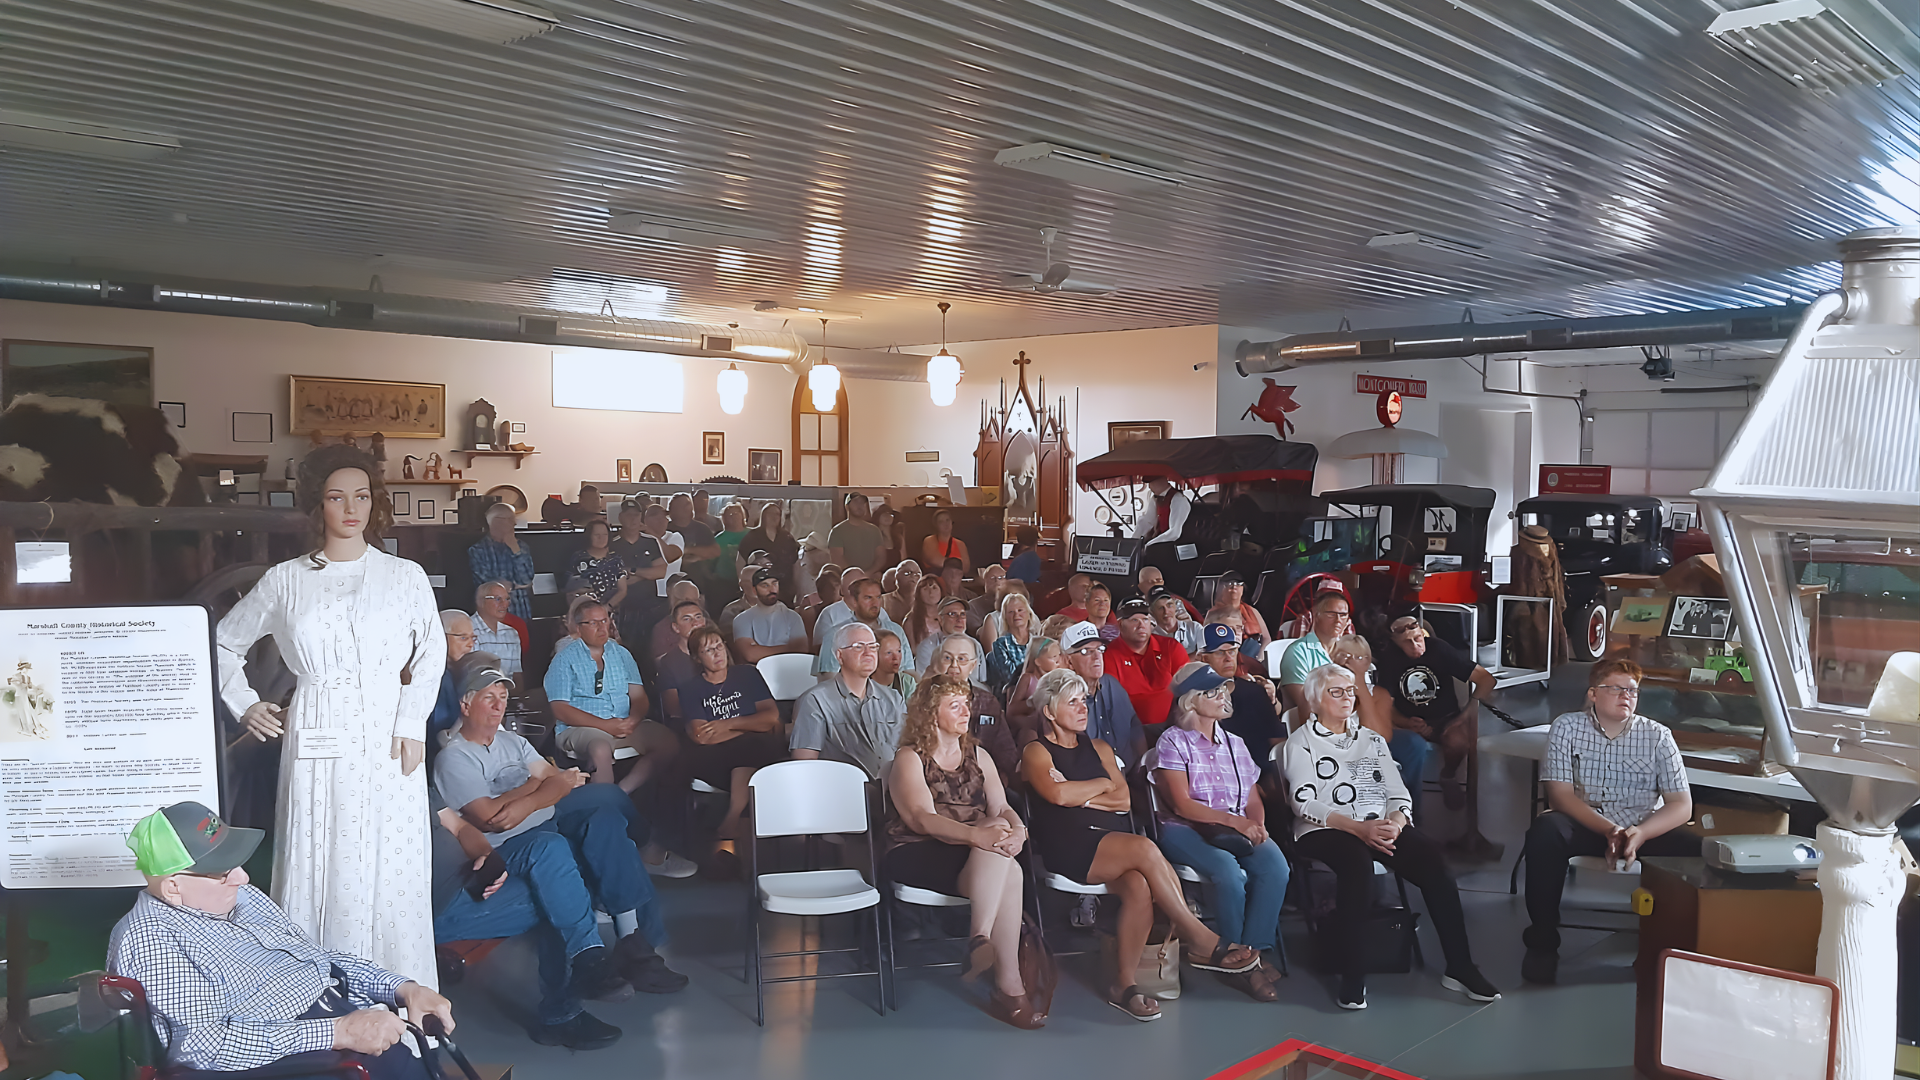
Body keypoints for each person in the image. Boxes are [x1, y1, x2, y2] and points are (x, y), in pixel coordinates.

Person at [217, 444, 444, 983]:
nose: (351, 508)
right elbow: (225, 643)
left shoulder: (404, 576)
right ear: (316, 504)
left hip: (391, 737)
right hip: (317, 727)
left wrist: (412, 720)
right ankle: (320, 998)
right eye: (337, 496)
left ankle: (402, 996)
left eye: (361, 496)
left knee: (395, 864)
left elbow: (432, 651)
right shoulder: (285, 580)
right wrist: (246, 704)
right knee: (322, 854)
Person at [109, 801, 456, 1079]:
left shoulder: (241, 896)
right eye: (223, 872)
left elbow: (317, 958)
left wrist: (401, 988)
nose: (242, 877)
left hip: (336, 1019)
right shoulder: (150, 939)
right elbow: (204, 1046)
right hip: (285, 1057)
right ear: (173, 886)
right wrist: (338, 1033)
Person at [1020, 669, 1261, 1022]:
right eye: (1071, 702)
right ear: (1049, 712)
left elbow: (1122, 801)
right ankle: (1200, 938)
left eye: (1083, 700)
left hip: (1111, 840)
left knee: (1138, 884)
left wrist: (1083, 793)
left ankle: (1124, 984)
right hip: (1069, 846)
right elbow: (1056, 794)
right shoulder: (1036, 751)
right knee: (1145, 849)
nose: (1082, 708)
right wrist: (1098, 787)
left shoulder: (1100, 748)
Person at [436, 662, 685, 994]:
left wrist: (534, 791)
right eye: (488, 698)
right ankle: (619, 938)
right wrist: (535, 786)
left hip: (548, 817)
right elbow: (493, 817)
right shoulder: (455, 757)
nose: (499, 705)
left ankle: (635, 945)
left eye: (502, 696)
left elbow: (555, 781)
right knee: (606, 803)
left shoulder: (512, 742)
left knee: (605, 818)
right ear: (466, 705)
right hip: (514, 842)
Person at [1282, 663, 1500, 1010]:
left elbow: (1399, 794)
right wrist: (1359, 829)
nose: (1346, 697)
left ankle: (1460, 966)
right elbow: (1303, 802)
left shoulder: (1371, 740)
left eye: (1350, 690)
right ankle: (1353, 973)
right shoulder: (1300, 743)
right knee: (1356, 863)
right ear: (1315, 700)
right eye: (1335, 692)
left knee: (1432, 859)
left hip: (1378, 825)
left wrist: (1397, 823)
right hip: (1325, 829)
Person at [1522, 659, 1694, 985]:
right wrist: (1608, 829)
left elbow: (1681, 806)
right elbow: (1560, 795)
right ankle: (1542, 943)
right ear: (1592, 694)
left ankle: (1678, 948)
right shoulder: (1567, 727)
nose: (1625, 696)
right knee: (1546, 833)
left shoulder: (1658, 736)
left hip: (1641, 828)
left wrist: (1639, 832)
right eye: (1615, 688)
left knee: (1702, 854)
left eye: (1632, 690)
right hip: (1588, 824)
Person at [885, 675, 1041, 1030]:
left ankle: (980, 942)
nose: (965, 710)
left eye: (965, 703)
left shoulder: (979, 755)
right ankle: (1008, 986)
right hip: (917, 850)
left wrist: (1018, 830)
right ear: (930, 713)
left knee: (1003, 847)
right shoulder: (909, 758)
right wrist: (978, 836)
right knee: (1001, 853)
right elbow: (922, 819)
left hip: (975, 849)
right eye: (954, 704)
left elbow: (1001, 807)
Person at [430, 789, 627, 1050]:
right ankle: (562, 1013)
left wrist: (486, 856)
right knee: (556, 895)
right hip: (438, 907)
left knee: (550, 846)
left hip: (469, 875)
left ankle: (588, 956)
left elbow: (457, 826)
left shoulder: (411, 778)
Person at [1152, 665, 1290, 1000]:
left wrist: (1256, 824)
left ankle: (1251, 954)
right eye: (1212, 693)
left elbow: (1252, 795)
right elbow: (1182, 805)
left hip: (1234, 827)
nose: (1222, 697)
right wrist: (1238, 823)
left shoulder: (1235, 743)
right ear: (1191, 701)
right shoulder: (1173, 741)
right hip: (1184, 828)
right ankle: (1232, 957)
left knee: (1276, 867)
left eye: (1222, 691)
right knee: (1229, 873)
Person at [542, 599, 693, 878]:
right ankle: (610, 834)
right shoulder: (564, 659)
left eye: (606, 620)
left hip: (623, 724)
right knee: (600, 747)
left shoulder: (621, 654)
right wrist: (605, 725)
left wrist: (634, 720)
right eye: (595, 622)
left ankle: (619, 793)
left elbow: (638, 697)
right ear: (579, 627)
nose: (604, 627)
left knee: (669, 742)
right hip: (581, 727)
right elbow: (559, 708)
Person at [668, 625, 787, 839]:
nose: (717, 653)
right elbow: (701, 736)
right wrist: (750, 725)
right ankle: (737, 826)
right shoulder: (691, 688)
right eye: (708, 650)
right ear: (697, 658)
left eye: (719, 646)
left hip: (754, 750)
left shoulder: (747, 674)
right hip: (716, 757)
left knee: (753, 748)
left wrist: (725, 725)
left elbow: (770, 717)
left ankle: (731, 821)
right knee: (750, 747)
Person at [1378, 615, 1498, 813]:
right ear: (1395, 643)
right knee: (1402, 749)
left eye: (1418, 638)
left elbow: (1486, 680)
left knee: (1459, 741)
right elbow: (1385, 705)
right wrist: (1406, 722)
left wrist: (1466, 714)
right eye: (1408, 642)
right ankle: (1407, 806)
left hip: (1447, 718)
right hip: (1409, 722)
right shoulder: (1390, 658)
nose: (1416, 646)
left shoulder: (1438, 648)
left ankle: (1448, 775)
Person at [790, 622, 906, 780]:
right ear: (840, 656)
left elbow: (907, 751)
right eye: (858, 647)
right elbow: (804, 763)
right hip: (843, 790)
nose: (868, 653)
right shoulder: (816, 700)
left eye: (873, 647)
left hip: (893, 789)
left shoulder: (893, 699)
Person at [923, 632, 1019, 779]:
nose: (954, 665)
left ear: (973, 665)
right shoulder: (923, 699)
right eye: (947, 658)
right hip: (934, 777)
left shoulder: (987, 702)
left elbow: (1005, 750)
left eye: (962, 659)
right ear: (938, 661)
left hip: (983, 778)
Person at [1054, 621, 1145, 767]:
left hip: (1132, 772)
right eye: (1086, 651)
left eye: (1100, 649)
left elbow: (1134, 724)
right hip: (1094, 779)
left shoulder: (1111, 684)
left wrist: (1142, 765)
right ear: (1068, 661)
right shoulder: (1062, 701)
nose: (1097, 656)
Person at [1193, 624, 1284, 760]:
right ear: (1203, 658)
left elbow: (1277, 740)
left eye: (1232, 651)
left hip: (1259, 772)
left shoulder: (1255, 691)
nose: (1228, 658)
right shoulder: (1192, 699)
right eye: (1219, 652)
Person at [1106, 597, 1191, 732]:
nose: (1141, 625)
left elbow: (1189, 690)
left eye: (1145, 619)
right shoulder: (1109, 655)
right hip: (1130, 731)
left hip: (1174, 727)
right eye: (1134, 620)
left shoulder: (1171, 647)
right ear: (1121, 624)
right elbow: (1112, 703)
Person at [815, 577, 908, 678]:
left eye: (878, 597)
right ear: (855, 601)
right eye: (868, 598)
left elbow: (909, 671)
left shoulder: (896, 630)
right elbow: (829, 677)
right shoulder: (835, 635)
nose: (875, 603)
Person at [1278, 590, 1353, 715]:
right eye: (1331, 614)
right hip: (1312, 725)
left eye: (1343, 615)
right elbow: (1305, 703)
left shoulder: (1349, 651)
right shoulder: (1298, 652)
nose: (1338, 620)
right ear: (1315, 616)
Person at [610, 501, 669, 644]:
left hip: (650, 607)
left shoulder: (650, 542)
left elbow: (661, 571)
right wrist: (646, 575)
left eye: (636, 515)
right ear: (620, 517)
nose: (633, 519)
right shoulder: (612, 544)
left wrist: (633, 571)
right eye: (629, 515)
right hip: (623, 609)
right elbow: (613, 579)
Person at [468, 501, 535, 622]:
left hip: (521, 612)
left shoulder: (521, 547)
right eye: (509, 519)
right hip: (493, 615)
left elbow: (527, 579)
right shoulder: (477, 550)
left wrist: (515, 550)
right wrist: (516, 586)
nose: (514, 524)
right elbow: (489, 586)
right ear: (495, 521)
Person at [732, 567, 810, 663]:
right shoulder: (742, 619)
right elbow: (750, 655)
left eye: (775, 583)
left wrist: (761, 650)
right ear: (754, 590)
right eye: (765, 585)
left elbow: (802, 650)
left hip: (789, 668)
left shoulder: (793, 617)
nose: (772, 589)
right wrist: (789, 648)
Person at [428, 611, 477, 748]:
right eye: (463, 638)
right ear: (441, 637)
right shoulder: (437, 677)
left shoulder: (463, 671)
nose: (470, 645)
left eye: (473, 638)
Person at [739, 502, 801, 607]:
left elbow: (795, 563)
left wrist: (796, 586)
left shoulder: (786, 537)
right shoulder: (752, 537)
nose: (774, 517)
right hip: (760, 586)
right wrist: (743, 585)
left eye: (777, 514)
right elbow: (740, 562)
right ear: (763, 516)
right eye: (770, 514)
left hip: (785, 587)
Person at [1003, 637, 1062, 738]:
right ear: (1038, 662)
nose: (1058, 661)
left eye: (1059, 656)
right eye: (1052, 657)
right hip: (1031, 727)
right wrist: (1032, 702)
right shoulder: (1028, 679)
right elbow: (1012, 709)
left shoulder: (1057, 679)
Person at [1133, 479, 1192, 581]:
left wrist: (1150, 544)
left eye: (1150, 483)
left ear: (1160, 481)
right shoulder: (1155, 499)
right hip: (1161, 544)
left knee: (1152, 552)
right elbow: (1147, 521)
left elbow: (1175, 532)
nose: (1149, 487)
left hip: (1179, 544)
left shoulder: (1178, 499)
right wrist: (1133, 542)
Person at [471, 580, 528, 681]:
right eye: (498, 599)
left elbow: (516, 675)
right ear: (480, 602)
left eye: (507, 599)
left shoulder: (512, 633)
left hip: (505, 693)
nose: (505, 604)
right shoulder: (467, 629)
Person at [986, 590, 1038, 698]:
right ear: (1005, 618)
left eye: (1020, 610)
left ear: (1029, 614)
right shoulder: (1000, 645)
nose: (1016, 615)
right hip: (1012, 697)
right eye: (1011, 612)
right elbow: (1010, 677)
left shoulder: (1040, 641)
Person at [567, 519, 628, 608]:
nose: (601, 538)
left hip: (611, 611)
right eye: (597, 535)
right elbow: (571, 591)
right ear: (589, 536)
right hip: (585, 609)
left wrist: (607, 607)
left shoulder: (616, 560)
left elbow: (622, 590)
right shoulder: (579, 558)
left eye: (605, 535)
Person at [653, 599, 707, 696]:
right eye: (687, 619)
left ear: (704, 622)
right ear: (676, 627)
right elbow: (673, 708)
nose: (695, 623)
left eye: (698, 617)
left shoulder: (718, 651)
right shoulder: (668, 663)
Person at [915, 596, 976, 678]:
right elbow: (923, 681)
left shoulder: (976, 645)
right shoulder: (926, 646)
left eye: (962, 614)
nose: (959, 619)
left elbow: (981, 680)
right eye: (953, 614)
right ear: (940, 619)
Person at [829, 493, 887, 575]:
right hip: (848, 578)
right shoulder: (837, 531)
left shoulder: (874, 530)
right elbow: (837, 559)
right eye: (856, 502)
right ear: (847, 506)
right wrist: (854, 575)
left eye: (862, 504)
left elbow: (881, 557)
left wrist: (868, 573)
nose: (860, 506)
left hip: (871, 577)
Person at [1213, 571, 1271, 646]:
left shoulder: (1251, 610)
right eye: (1229, 585)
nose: (1234, 588)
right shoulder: (1215, 614)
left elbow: (1266, 639)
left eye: (1238, 584)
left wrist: (1260, 656)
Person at [1150, 589, 1205, 656]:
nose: (1166, 612)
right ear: (1152, 612)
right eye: (1160, 608)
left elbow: (1204, 655)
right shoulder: (1150, 636)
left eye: (1169, 605)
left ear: (1175, 607)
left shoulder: (1194, 627)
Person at [904, 574, 947, 658]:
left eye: (934, 588)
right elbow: (912, 650)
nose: (931, 592)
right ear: (918, 593)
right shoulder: (911, 621)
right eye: (925, 589)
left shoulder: (948, 616)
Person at [920, 508, 972, 573]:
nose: (946, 524)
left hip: (957, 580)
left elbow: (966, 567)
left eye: (947, 520)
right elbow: (934, 560)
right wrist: (957, 565)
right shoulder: (929, 540)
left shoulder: (960, 544)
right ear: (936, 525)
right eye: (941, 521)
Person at [873, 629, 918, 701]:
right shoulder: (864, 684)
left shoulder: (907, 682)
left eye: (899, 651)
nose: (896, 658)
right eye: (889, 653)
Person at [966, 563, 1007, 637]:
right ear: (985, 582)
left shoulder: (1013, 604)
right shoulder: (972, 606)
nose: (997, 581)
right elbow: (977, 632)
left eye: (1001, 577)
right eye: (992, 578)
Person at [882, 559, 923, 624]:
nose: (913, 577)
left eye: (917, 574)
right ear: (896, 577)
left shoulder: (926, 601)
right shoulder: (883, 600)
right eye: (907, 573)